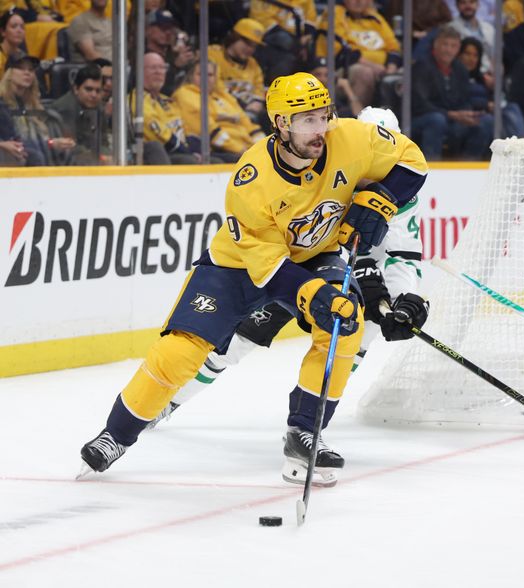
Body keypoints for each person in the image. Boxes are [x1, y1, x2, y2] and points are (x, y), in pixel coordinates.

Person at [78, 73, 428, 487]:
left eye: (325, 116)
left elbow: (412, 160)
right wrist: (314, 293)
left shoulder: (351, 138)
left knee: (342, 325)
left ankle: (304, 431)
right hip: (239, 266)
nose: (322, 130)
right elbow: (270, 269)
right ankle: (116, 435)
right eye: (309, 121)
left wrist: (381, 199)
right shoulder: (251, 180)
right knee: (179, 353)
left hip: (316, 256)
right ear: (281, 123)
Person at [146, 108, 429, 446]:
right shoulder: (329, 161)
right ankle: (168, 400)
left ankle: (308, 430)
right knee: (237, 341)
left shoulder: (398, 191)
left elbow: (403, 252)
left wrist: (400, 298)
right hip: (301, 268)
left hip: (345, 278)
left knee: (352, 336)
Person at [411, 25, 493, 160]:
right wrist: (450, 114)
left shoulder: (460, 68)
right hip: (423, 120)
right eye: (445, 44)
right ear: (435, 45)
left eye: (453, 46)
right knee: (437, 120)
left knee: (485, 121)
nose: (448, 50)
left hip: (451, 119)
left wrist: (467, 113)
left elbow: (465, 99)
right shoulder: (422, 66)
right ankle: (430, 169)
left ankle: (468, 167)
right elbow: (419, 104)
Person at [171, 60, 265, 163]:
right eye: (200, 74)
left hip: (246, 147)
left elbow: (247, 123)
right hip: (216, 149)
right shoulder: (186, 94)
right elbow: (209, 130)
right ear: (191, 76)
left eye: (210, 75)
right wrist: (240, 150)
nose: (205, 78)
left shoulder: (223, 96)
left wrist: (263, 147)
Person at [315, 0, 401, 109]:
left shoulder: (375, 17)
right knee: (364, 72)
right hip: (338, 70)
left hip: (383, 68)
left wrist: (391, 69)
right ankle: (358, 119)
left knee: (409, 72)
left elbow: (394, 48)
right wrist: (374, 66)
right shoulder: (335, 13)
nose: (359, 1)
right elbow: (341, 52)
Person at [0, 54, 74, 165]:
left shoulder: (33, 106)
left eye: (31, 69)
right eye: (21, 68)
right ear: (9, 73)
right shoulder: (2, 103)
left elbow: (30, 143)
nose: (27, 73)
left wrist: (52, 143)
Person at [207, 18, 266, 123]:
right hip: (220, 110)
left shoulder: (254, 65)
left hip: (247, 116)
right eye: (247, 43)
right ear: (234, 37)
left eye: (254, 46)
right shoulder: (213, 54)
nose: (250, 49)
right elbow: (215, 87)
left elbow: (258, 93)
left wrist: (252, 110)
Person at [50, 62, 107, 164]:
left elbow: (103, 142)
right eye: (88, 89)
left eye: (98, 91)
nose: (94, 95)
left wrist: (108, 155)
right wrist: (101, 158)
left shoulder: (99, 108)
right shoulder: (65, 108)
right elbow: (71, 146)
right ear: (76, 89)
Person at [248, 0, 316, 82]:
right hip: (270, 36)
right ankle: (276, 85)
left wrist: (307, 37)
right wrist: (298, 44)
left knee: (312, 48)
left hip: (299, 38)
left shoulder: (306, 1)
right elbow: (263, 21)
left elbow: (311, 20)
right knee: (285, 43)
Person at [450, 0, 495, 75]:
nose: (468, 6)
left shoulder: (489, 29)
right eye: (463, 2)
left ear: (478, 5)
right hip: (464, 75)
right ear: (457, 6)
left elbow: (495, 58)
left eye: (472, 2)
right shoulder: (451, 29)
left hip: (489, 74)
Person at [0, 9, 26, 73]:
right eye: (14, 27)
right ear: (3, 31)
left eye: (22, 27)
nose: (19, 31)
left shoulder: (23, 56)